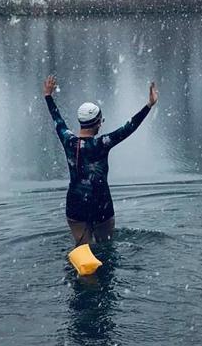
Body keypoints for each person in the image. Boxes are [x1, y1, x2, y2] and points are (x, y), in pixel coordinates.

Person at [43, 75, 158, 245]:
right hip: (100, 203)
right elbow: (129, 127)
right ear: (97, 123)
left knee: (82, 250)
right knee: (106, 248)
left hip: (76, 204)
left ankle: (84, 269)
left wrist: (48, 96)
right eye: (101, 121)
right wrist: (149, 105)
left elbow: (57, 120)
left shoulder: (68, 141)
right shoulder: (102, 143)